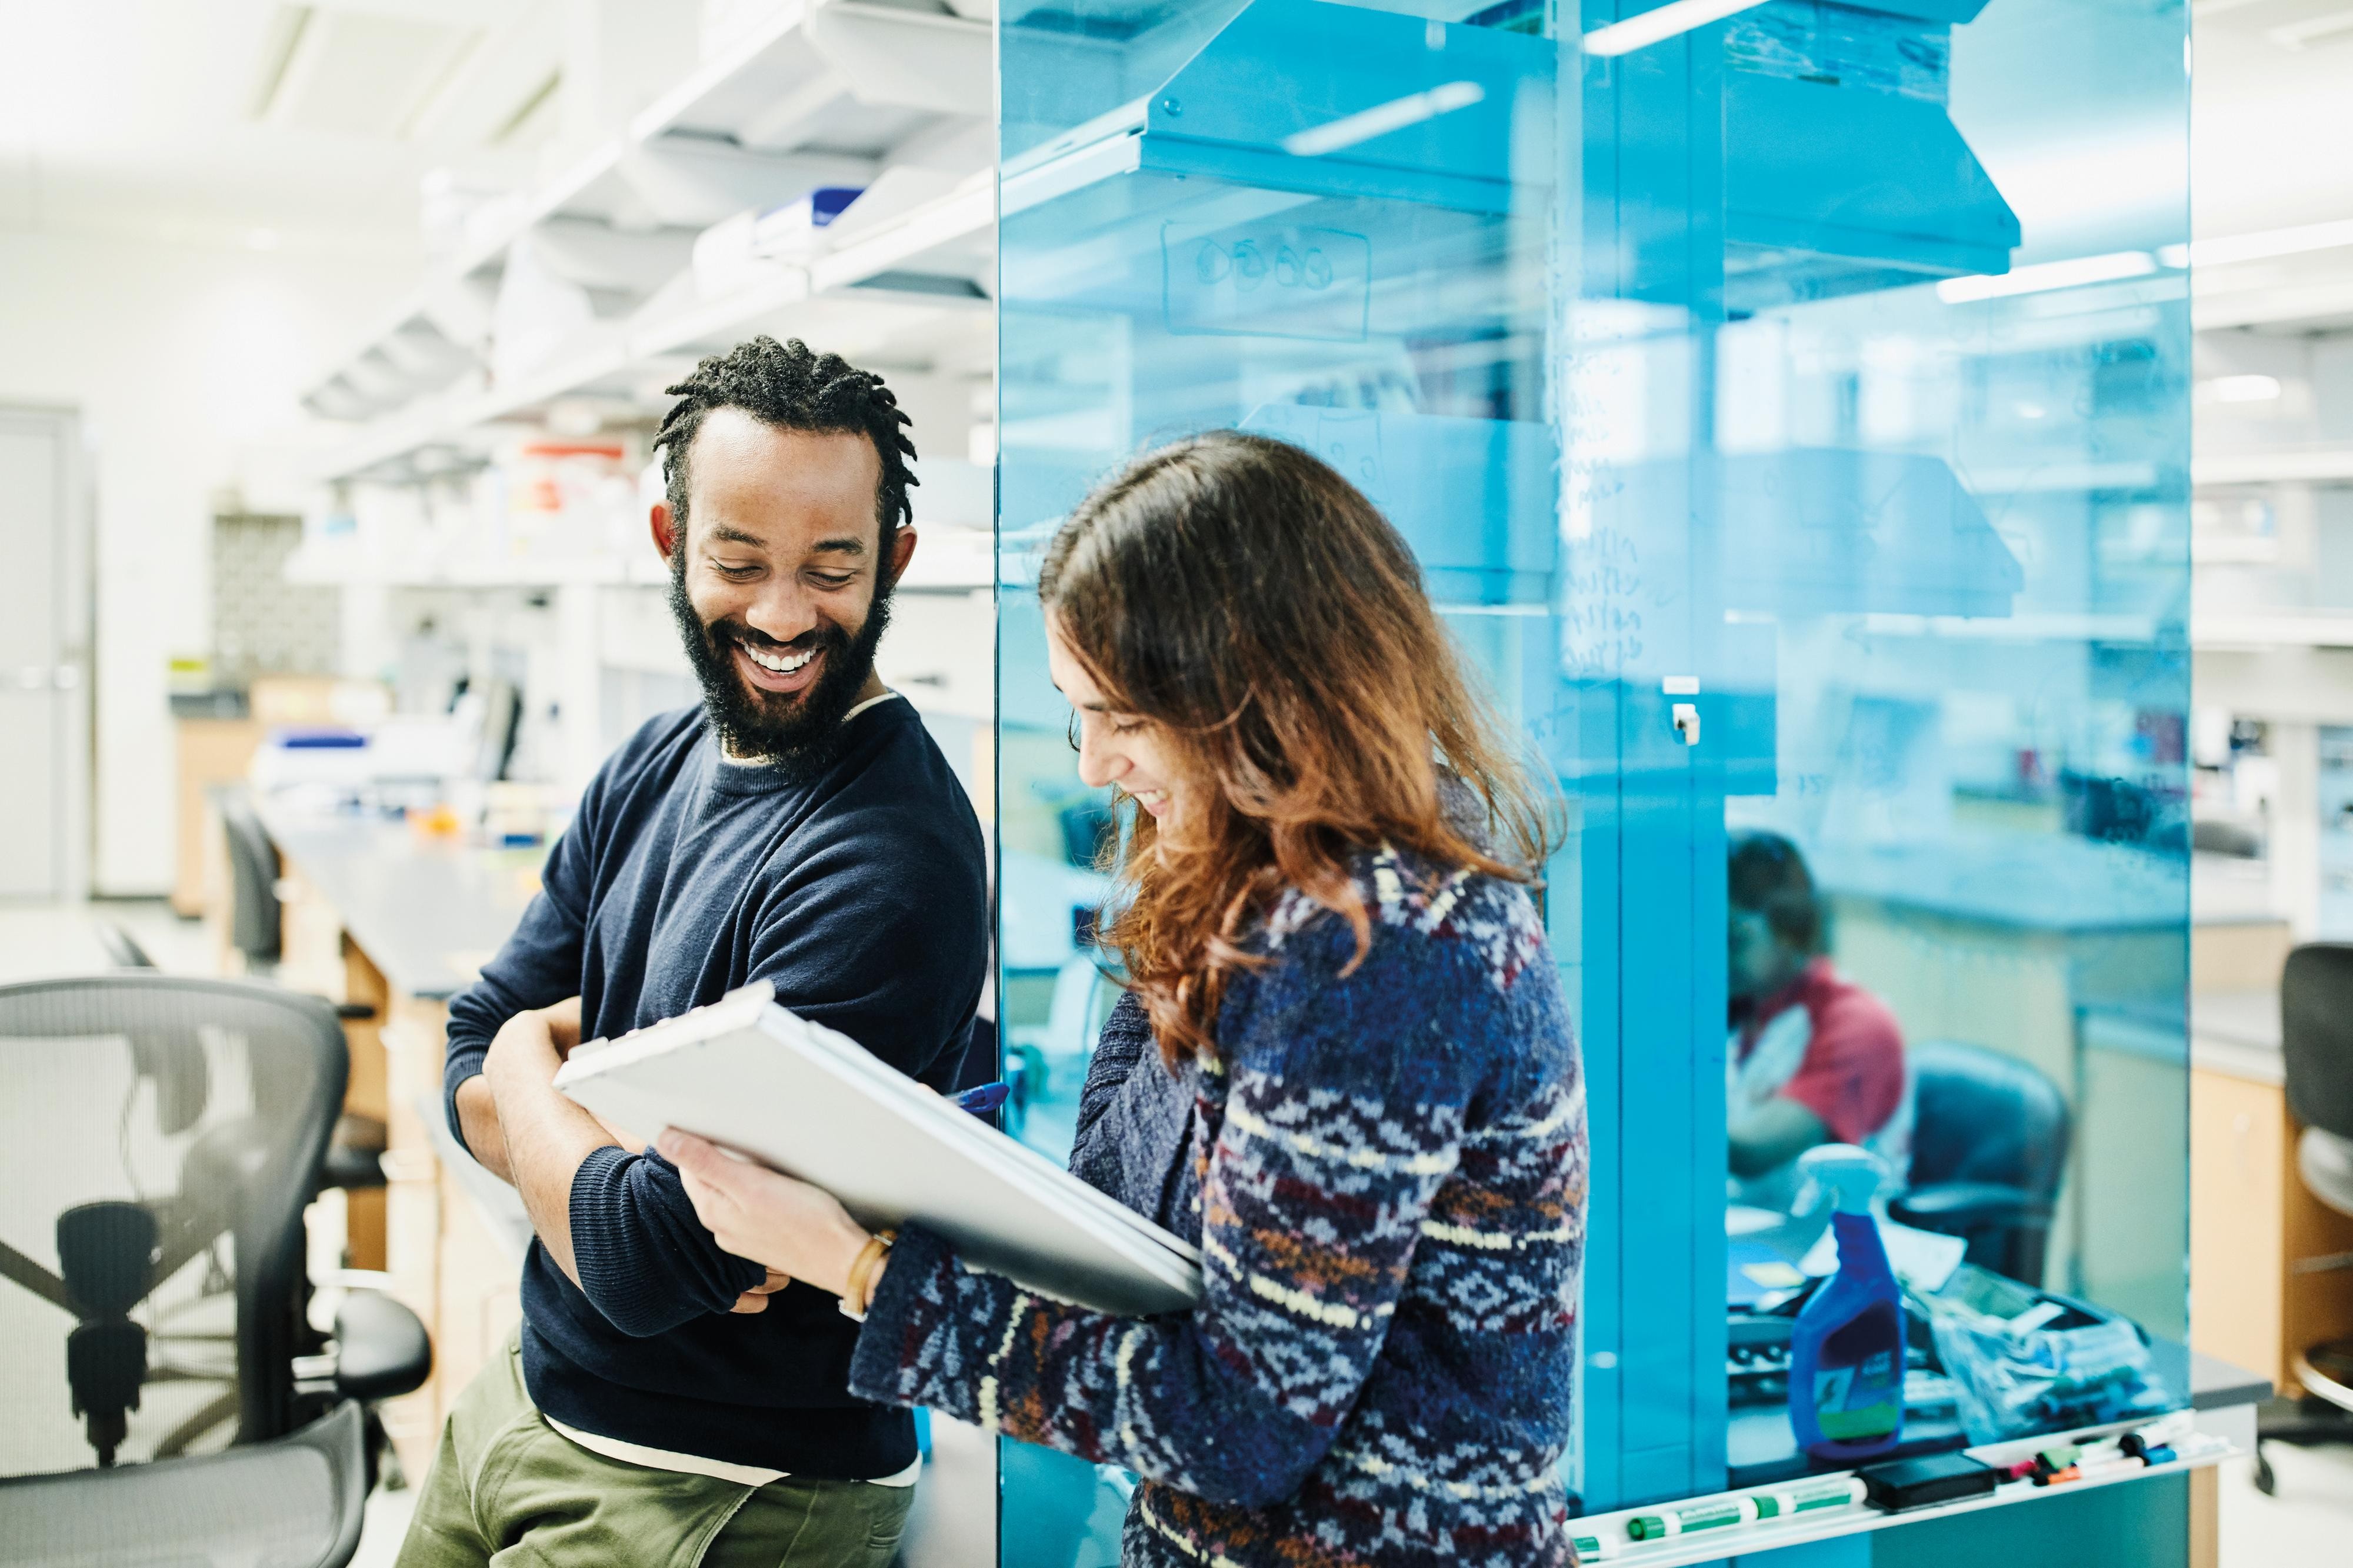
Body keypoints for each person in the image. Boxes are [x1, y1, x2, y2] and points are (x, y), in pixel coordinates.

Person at [662, 430, 1589, 1567]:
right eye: (1077, 710)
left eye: (1127, 718)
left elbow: (1241, 1423)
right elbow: (1134, 1229)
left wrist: (862, 1269)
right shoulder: (1253, 893)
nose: (1096, 765)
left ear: (1268, 700)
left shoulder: (1378, 954)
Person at [395, 337, 990, 1567]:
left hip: (729, 1484)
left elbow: (639, 1255)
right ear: (671, 546)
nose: (782, 616)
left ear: (895, 562)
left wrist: (524, 1063)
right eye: (739, 562)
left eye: (832, 569)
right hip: (524, 1396)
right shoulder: (657, 760)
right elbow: (466, 1044)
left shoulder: (891, 856)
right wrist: (537, 1091)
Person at [1726, 829, 1910, 1212]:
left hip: (1835, 1252)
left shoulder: (1858, 1024)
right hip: (1750, 1234)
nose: (1714, 956)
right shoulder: (1741, 1009)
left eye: (1733, 938)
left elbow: (1752, 1152)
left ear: (1789, 927)